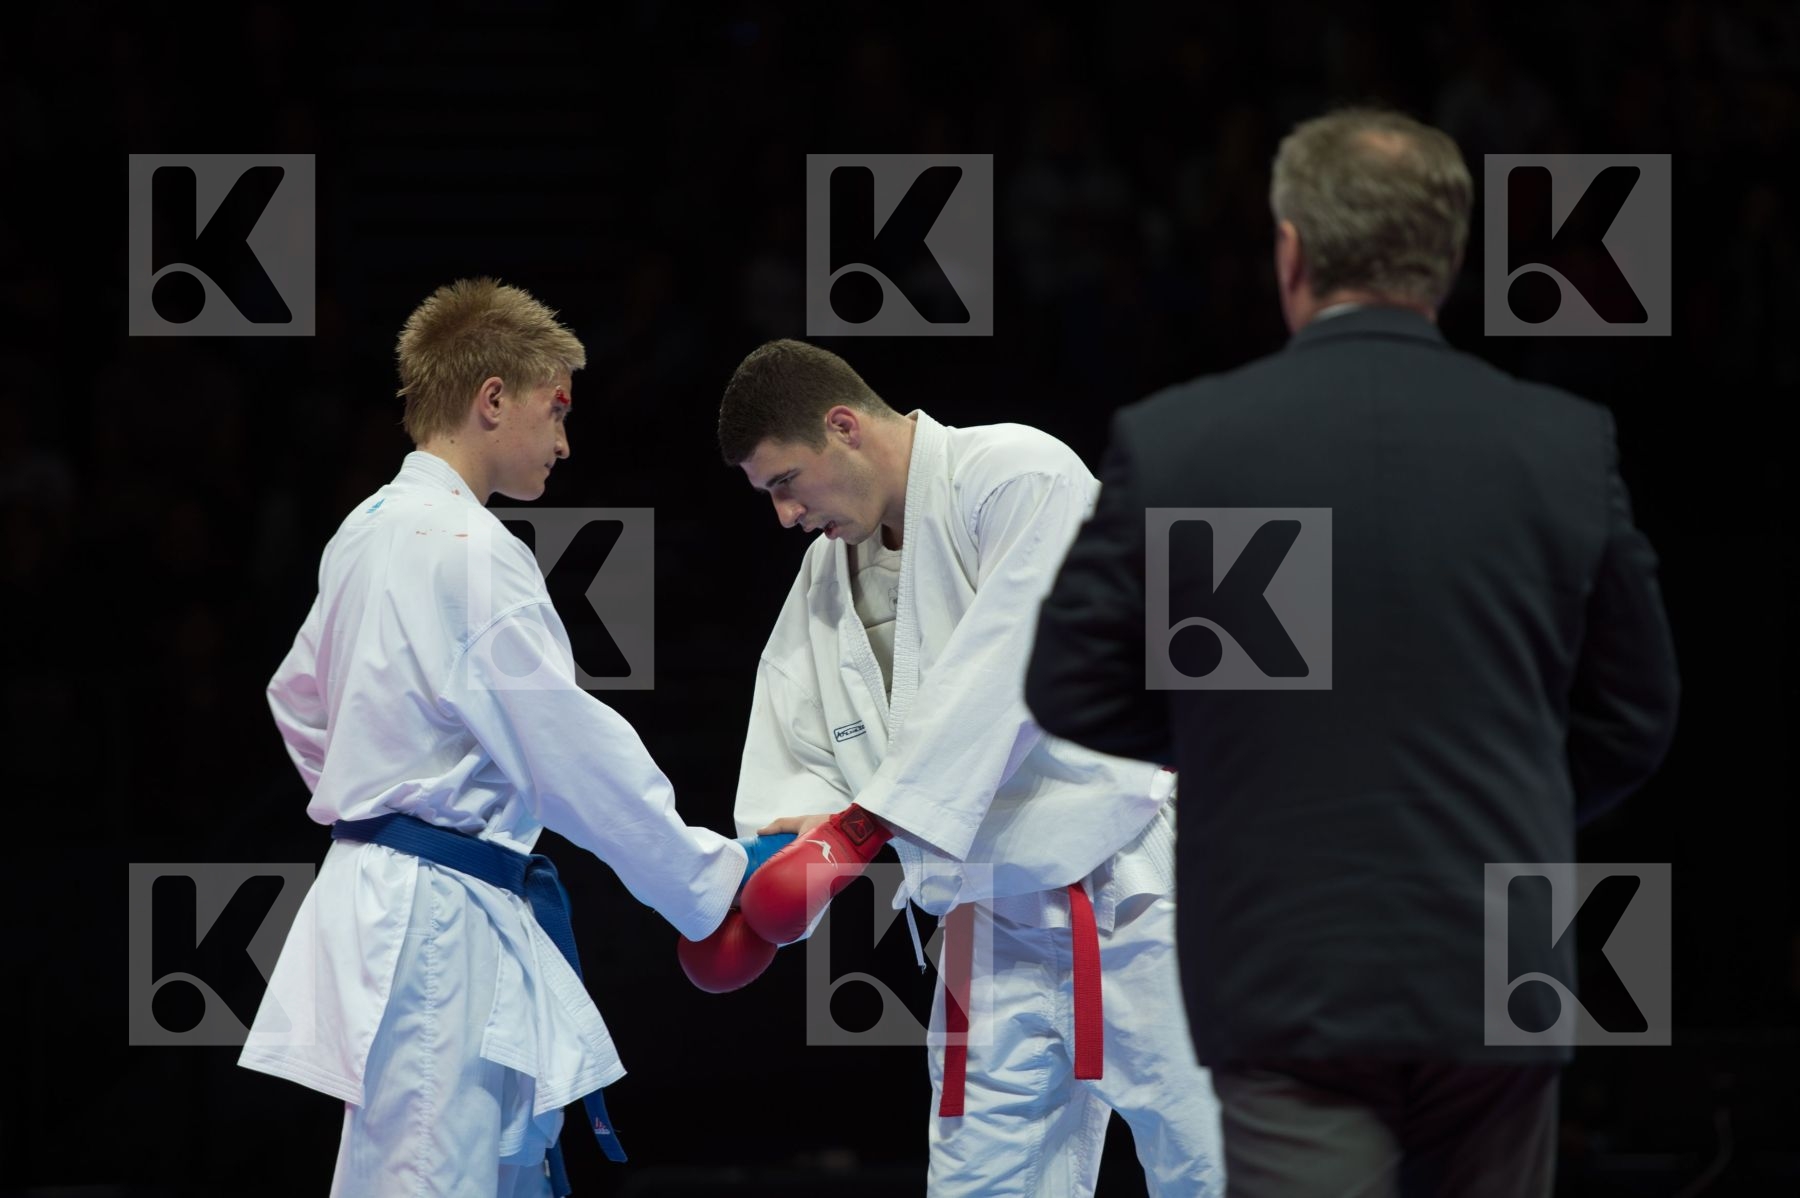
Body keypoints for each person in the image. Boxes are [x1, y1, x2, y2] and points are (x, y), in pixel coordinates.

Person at [1025, 107, 1680, 1197]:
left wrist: (1240, 754)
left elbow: (1069, 684)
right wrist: (1501, 805)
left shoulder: (1186, 440)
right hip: (1496, 962)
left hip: (1287, 959)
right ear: (1452, 257)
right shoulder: (1562, 443)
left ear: (1292, 251)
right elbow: (1637, 713)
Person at [239, 278, 780, 1198]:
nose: (566, 441)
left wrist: (381, 793)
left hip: (414, 900)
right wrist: (710, 883)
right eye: (555, 409)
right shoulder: (470, 547)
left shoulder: (363, 531)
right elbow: (568, 751)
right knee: (428, 1180)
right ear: (493, 399)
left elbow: (295, 696)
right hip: (436, 924)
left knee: (491, 1172)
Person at [713, 339, 1225, 1196]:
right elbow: (799, 735)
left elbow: (1015, 665)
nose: (786, 515)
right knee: (981, 1184)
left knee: (1214, 1161)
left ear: (843, 427)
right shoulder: (827, 576)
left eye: (786, 483)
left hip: (1129, 889)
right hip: (983, 920)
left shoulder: (1018, 473)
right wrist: (779, 853)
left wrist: (863, 826)